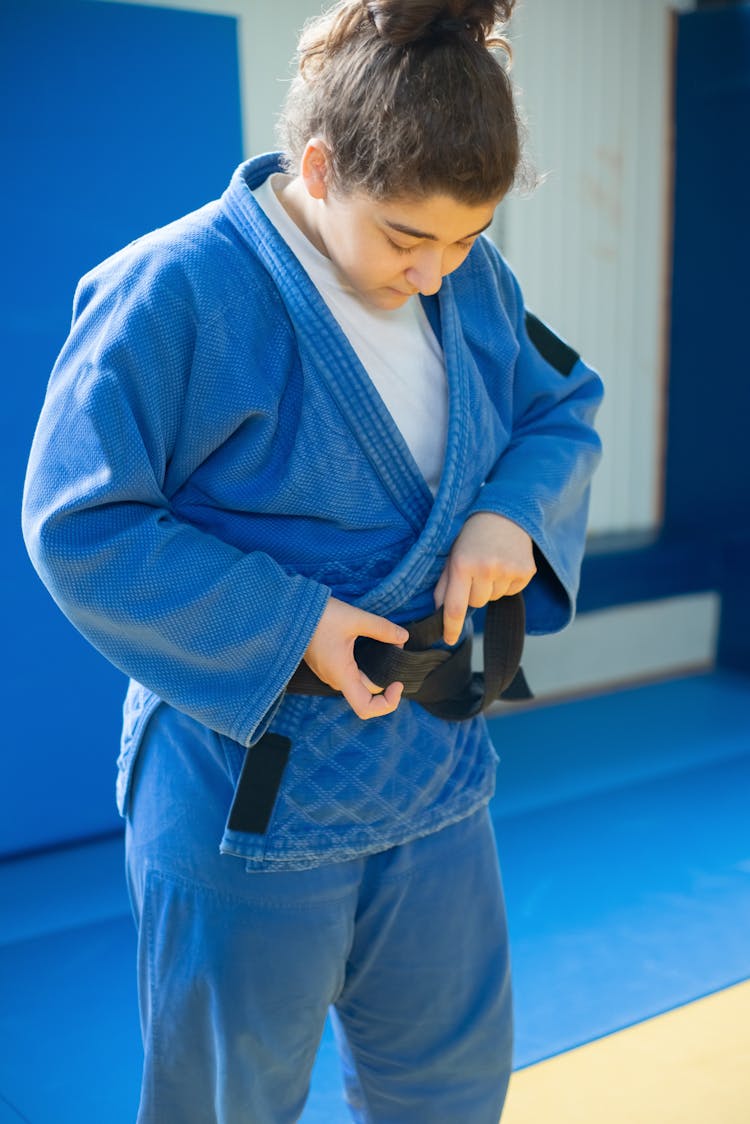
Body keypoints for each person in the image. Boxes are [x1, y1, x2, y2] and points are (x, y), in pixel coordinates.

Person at [22, 1, 603, 1120]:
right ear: (322, 167)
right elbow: (79, 521)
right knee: (226, 1098)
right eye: (405, 237)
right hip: (252, 783)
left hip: (432, 776)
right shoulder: (173, 289)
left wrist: (512, 517)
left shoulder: (473, 286)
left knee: (450, 1088)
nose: (437, 272)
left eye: (466, 237)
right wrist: (295, 625)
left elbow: (562, 406)